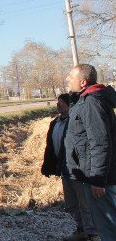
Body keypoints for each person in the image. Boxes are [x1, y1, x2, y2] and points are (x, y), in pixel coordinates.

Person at [64, 64, 116, 241]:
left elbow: (100, 143)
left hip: (101, 181)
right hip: (93, 176)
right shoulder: (84, 99)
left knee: (108, 227)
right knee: (104, 225)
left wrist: (98, 180)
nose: (67, 79)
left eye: (71, 76)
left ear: (83, 81)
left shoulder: (93, 102)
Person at [42, 93, 98, 241]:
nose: (58, 104)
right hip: (64, 169)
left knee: (84, 203)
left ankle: (92, 234)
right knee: (71, 203)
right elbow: (51, 146)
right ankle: (81, 230)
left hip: (78, 170)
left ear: (69, 104)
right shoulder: (55, 123)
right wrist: (48, 166)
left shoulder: (77, 122)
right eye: (57, 101)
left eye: (61, 102)